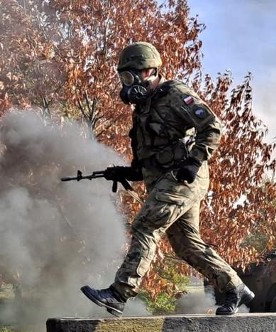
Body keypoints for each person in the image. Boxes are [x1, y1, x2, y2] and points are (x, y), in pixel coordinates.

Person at [80, 42, 254, 317]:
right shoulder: (142, 110)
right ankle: (235, 288)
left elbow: (211, 126)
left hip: (184, 178)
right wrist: (127, 172)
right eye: (123, 78)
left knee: (145, 226)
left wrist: (194, 162)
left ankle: (119, 294)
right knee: (186, 244)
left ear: (150, 71)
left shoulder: (175, 94)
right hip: (166, 178)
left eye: (131, 77)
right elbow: (148, 160)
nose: (127, 85)